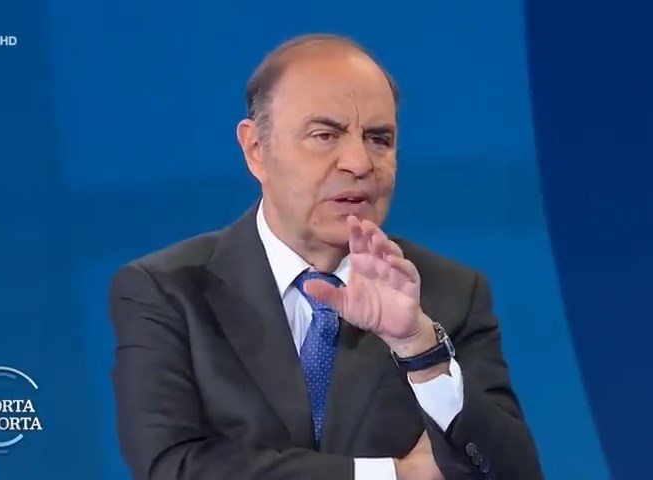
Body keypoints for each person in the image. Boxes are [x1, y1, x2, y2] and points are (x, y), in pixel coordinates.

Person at [108, 33, 543, 480]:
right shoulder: (166, 291)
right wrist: (394, 475)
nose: (359, 162)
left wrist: (420, 350)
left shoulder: (449, 295)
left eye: (379, 139)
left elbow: (510, 474)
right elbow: (172, 466)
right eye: (325, 135)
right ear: (256, 149)